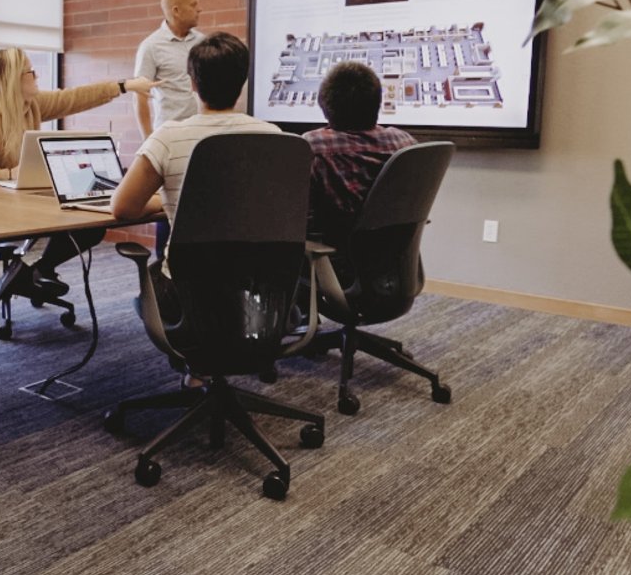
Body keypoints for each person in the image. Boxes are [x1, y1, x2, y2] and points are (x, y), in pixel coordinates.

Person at [112, 32, 281, 386]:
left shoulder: (169, 137)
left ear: (191, 83)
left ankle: (196, 369)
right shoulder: (274, 137)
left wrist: (172, 197)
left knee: (160, 277)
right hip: (262, 292)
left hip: (188, 296)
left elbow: (123, 207)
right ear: (243, 82)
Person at [0, 47, 158, 300]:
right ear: (13, 79)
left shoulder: (30, 105)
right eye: (31, 72)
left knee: (91, 224)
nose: (36, 76)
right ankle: (30, 275)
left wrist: (125, 86)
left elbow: (76, 98)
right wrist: (7, 174)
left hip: (23, 203)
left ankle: (39, 271)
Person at [302, 60, 417, 247]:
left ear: (325, 107)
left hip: (332, 258)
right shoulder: (404, 142)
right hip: (392, 255)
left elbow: (300, 217)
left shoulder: (313, 146)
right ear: (377, 102)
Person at [134, 0, 205, 257]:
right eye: (194, 5)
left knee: (197, 204)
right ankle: (163, 270)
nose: (200, 9)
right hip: (170, 139)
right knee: (169, 204)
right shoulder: (151, 47)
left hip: (201, 136)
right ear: (176, 10)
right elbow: (140, 96)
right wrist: (148, 140)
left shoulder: (202, 43)